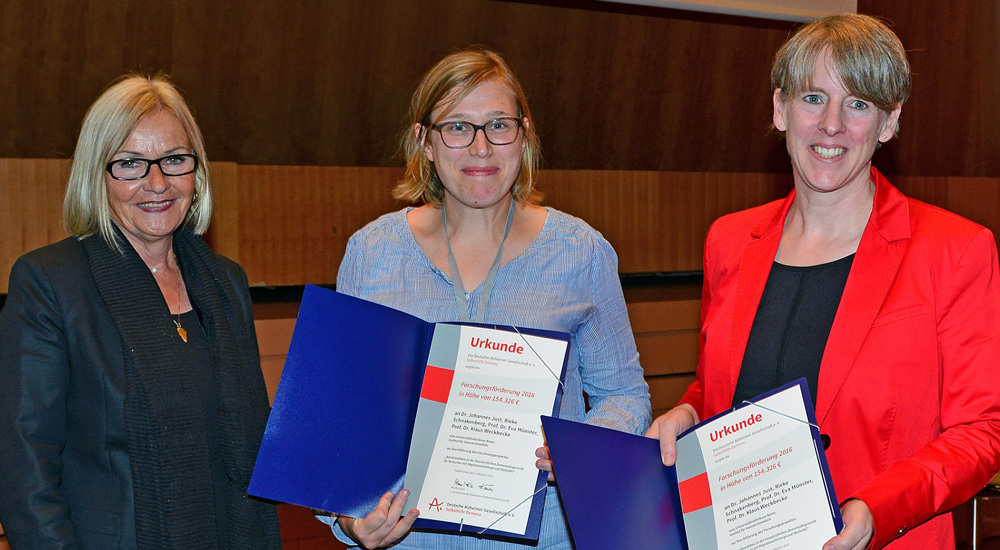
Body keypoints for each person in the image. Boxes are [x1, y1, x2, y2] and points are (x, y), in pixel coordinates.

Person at [646, 13, 1000, 550]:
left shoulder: (954, 250)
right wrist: (689, 410)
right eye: (813, 98)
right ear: (779, 108)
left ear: (888, 122)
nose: (831, 123)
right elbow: (725, 382)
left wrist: (875, 512)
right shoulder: (729, 240)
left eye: (857, 103)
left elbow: (981, 432)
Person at [324, 47, 651, 549]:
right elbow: (341, 415)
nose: (480, 148)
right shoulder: (371, 254)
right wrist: (347, 521)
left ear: (524, 136)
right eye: (457, 127)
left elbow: (625, 397)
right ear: (425, 142)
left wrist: (578, 447)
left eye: (498, 125)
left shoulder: (581, 253)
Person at [0, 75, 281, 549]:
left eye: (174, 160)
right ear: (98, 174)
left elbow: (257, 438)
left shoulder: (225, 282)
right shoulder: (50, 283)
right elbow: (25, 472)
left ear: (197, 171)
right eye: (130, 164)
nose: (157, 183)